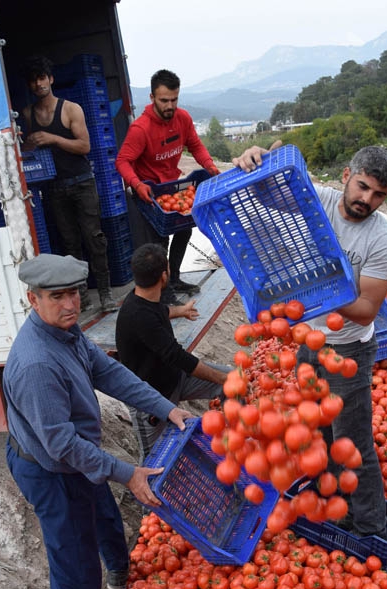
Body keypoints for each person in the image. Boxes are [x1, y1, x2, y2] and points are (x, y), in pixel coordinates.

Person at [3, 253, 194, 589]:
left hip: (70, 455)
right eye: (57, 296)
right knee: (77, 574)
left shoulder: (66, 332)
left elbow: (108, 372)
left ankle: (121, 575)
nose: (70, 304)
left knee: (105, 513)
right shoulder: (37, 363)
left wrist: (166, 408)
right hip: (50, 471)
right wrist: (127, 473)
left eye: (74, 293)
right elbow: (62, 446)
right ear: (33, 299)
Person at [233, 141, 387, 540]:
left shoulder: (382, 240)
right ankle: (338, 506)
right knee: (321, 431)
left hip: (349, 350)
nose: (366, 200)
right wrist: (258, 158)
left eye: (378, 195)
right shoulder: (317, 200)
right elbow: (266, 190)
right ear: (346, 176)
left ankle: (371, 528)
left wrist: (321, 290)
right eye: (362, 186)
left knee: (352, 441)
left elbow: (366, 310)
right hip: (309, 342)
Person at [115, 69, 221, 306]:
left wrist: (209, 165)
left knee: (184, 230)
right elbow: (122, 161)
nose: (170, 106)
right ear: (152, 98)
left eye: (174, 99)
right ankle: (163, 293)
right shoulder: (141, 129)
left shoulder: (183, 119)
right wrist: (137, 184)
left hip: (173, 187)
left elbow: (195, 145)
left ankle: (174, 278)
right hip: (149, 192)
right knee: (158, 243)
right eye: (164, 100)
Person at [115, 243, 230, 459]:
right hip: (149, 400)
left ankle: (233, 441)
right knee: (153, 460)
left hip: (175, 379)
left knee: (231, 383)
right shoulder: (138, 316)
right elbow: (178, 356)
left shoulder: (141, 297)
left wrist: (181, 311)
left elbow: (159, 311)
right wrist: (222, 378)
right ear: (163, 276)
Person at [20, 55, 116, 313]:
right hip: (54, 188)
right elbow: (26, 152)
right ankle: (81, 296)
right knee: (70, 245)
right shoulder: (28, 115)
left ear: (51, 79)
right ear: (29, 84)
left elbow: (85, 146)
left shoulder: (71, 109)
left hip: (82, 182)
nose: (39, 84)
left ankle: (106, 294)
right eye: (34, 80)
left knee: (94, 239)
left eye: (42, 78)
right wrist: (28, 143)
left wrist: (52, 138)